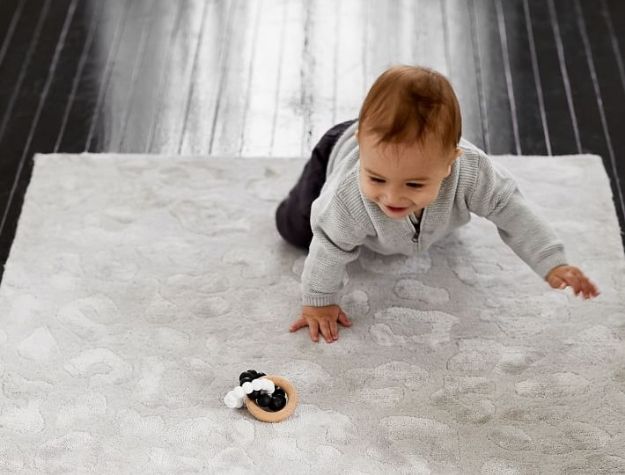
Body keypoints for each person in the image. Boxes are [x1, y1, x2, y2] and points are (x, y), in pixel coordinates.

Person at [275, 65, 600, 345]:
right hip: (335, 149)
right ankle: (301, 199)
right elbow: (329, 246)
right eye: (376, 179)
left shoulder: (471, 172)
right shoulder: (347, 198)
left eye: (414, 184)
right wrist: (318, 303)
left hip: (400, 158)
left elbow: (511, 210)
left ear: (450, 162)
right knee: (297, 229)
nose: (392, 197)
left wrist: (551, 261)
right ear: (363, 147)